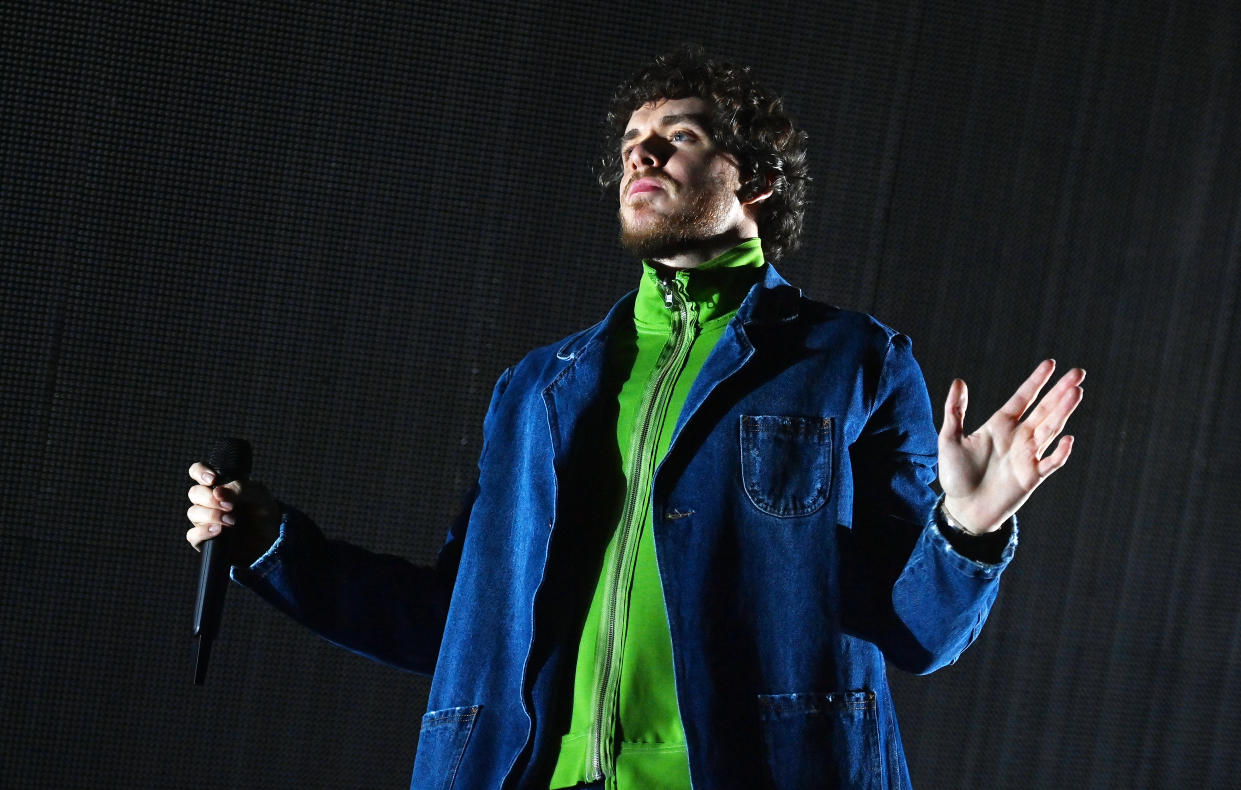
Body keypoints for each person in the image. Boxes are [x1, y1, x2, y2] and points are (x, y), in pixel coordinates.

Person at [185, 47, 1084, 790]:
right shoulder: (539, 387)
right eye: (632, 142)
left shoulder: (850, 362)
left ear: (757, 182)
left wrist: (967, 528)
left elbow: (917, 634)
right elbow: (456, 627)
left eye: (678, 139)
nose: (641, 158)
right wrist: (271, 545)